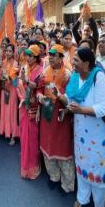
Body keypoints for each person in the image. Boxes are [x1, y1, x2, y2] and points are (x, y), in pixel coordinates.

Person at [66, 47, 105, 207]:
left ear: (87, 64)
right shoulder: (74, 76)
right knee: (82, 163)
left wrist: (81, 110)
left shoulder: (98, 77)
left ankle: (99, 206)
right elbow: (70, 96)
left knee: (97, 166)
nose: (73, 63)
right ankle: (83, 198)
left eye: (76, 60)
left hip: (98, 133)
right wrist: (61, 98)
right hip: (80, 131)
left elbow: (103, 107)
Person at [37, 44, 74, 193]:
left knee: (62, 147)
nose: (50, 57)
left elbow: (71, 98)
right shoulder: (45, 72)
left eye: (54, 55)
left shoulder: (68, 75)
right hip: (47, 114)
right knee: (48, 145)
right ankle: (54, 177)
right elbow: (39, 89)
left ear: (61, 57)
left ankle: (67, 184)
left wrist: (60, 95)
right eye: (50, 54)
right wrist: (39, 96)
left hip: (61, 116)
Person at [18, 45, 43, 179]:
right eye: (27, 55)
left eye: (31, 56)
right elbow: (18, 85)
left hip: (34, 107)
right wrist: (22, 98)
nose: (28, 58)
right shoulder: (24, 68)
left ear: (36, 57)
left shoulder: (40, 70)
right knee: (24, 136)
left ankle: (33, 166)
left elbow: (38, 86)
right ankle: (25, 166)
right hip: (24, 106)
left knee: (32, 138)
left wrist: (26, 80)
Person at [0, 44, 19, 145]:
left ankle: (13, 135)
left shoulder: (16, 63)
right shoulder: (3, 62)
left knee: (12, 112)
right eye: (6, 51)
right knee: (5, 111)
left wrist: (8, 77)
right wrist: (1, 77)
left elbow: (14, 79)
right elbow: (0, 75)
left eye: (10, 51)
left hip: (12, 91)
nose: (8, 53)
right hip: (4, 90)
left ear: (13, 52)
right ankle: (6, 131)